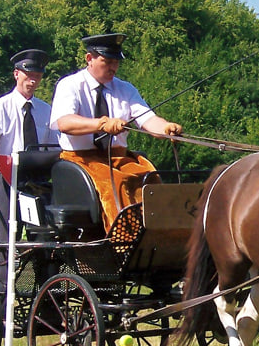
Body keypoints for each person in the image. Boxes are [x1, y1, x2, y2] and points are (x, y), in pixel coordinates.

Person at [49, 33, 183, 233]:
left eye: (116, 62)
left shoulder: (125, 89)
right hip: (81, 159)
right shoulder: (70, 85)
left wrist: (166, 128)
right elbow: (64, 122)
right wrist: (101, 124)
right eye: (107, 61)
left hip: (118, 157)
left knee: (150, 178)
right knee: (117, 183)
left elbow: (148, 119)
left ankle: (161, 236)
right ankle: (124, 241)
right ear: (89, 59)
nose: (113, 68)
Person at [0, 49, 59, 291]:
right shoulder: (0, 107)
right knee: (6, 239)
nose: (33, 81)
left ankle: (43, 293)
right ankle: (1, 293)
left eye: (38, 76)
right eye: (28, 75)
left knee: (44, 238)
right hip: (8, 179)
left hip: (38, 182)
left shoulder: (46, 111)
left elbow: (56, 146)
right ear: (16, 74)